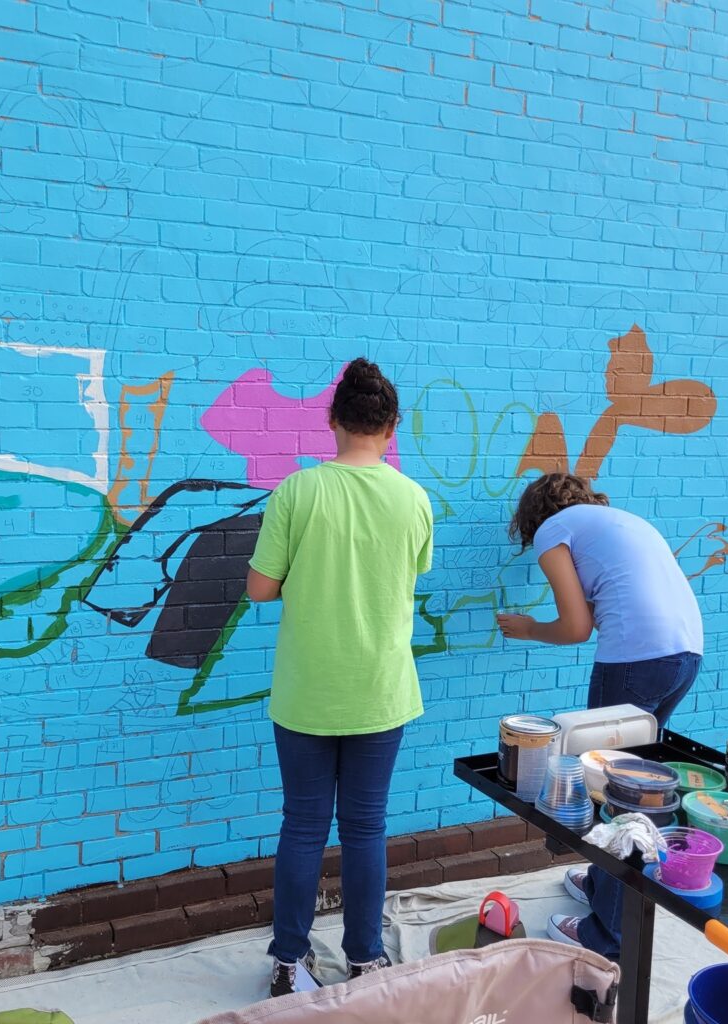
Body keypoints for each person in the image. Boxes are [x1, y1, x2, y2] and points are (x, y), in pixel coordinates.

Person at [246, 358, 433, 998]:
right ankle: (364, 958)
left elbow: (259, 590)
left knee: (302, 824)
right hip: (381, 690)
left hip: (305, 690)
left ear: (331, 421)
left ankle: (288, 961)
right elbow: (410, 575)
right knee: (365, 827)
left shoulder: (297, 492)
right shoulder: (413, 498)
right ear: (392, 426)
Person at [497, 472, 702, 960]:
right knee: (638, 787)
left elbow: (575, 627)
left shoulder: (555, 531)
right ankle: (600, 885)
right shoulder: (622, 521)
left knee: (610, 791)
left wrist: (528, 629)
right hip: (686, 655)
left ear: (534, 517)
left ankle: (606, 934)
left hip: (634, 660)